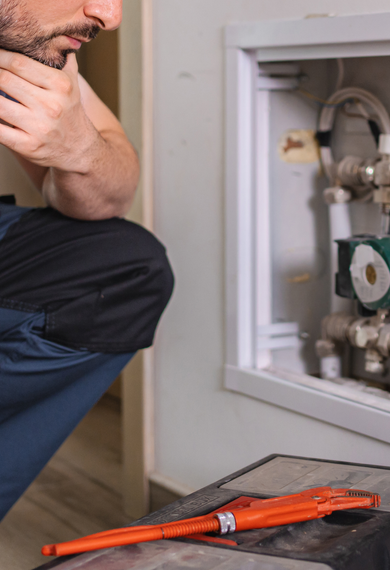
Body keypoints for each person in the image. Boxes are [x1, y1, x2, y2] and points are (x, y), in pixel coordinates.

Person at [0, 0, 174, 520]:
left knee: (125, 273)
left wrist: (76, 147)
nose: (109, 15)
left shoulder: (23, 48)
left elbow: (114, 187)